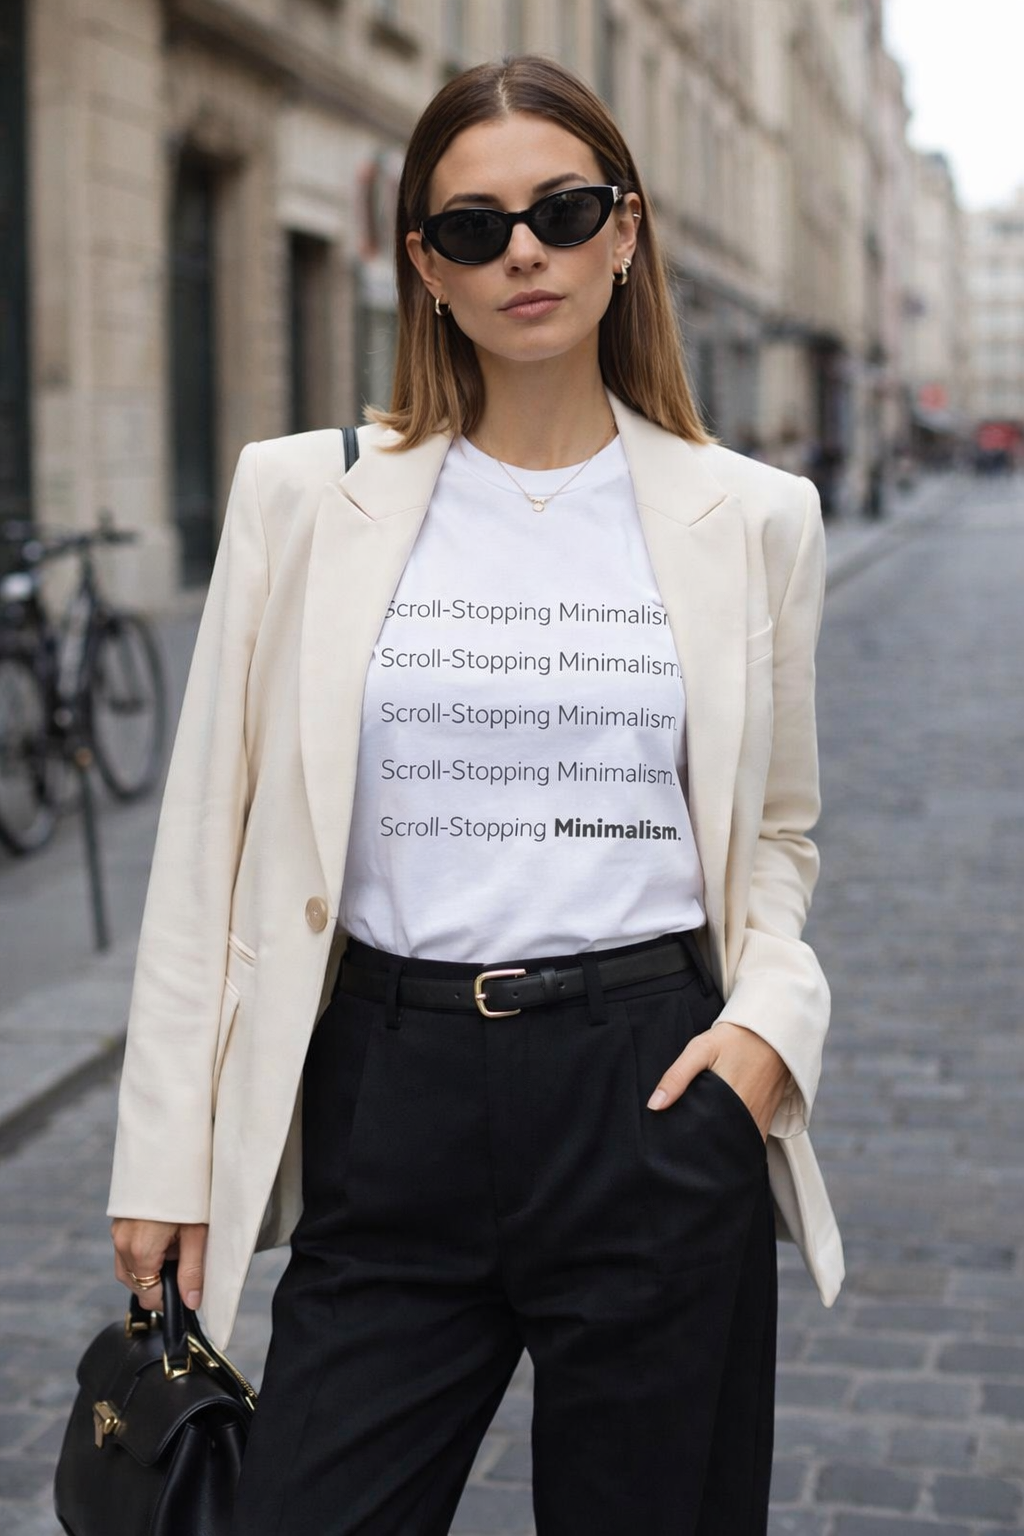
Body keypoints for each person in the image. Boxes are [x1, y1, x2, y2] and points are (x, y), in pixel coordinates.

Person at [108, 55, 843, 1536]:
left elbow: (776, 829)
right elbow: (207, 841)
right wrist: (165, 1154)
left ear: (625, 235)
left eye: (565, 211)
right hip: (388, 1094)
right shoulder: (303, 498)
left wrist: (768, 1035)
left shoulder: (750, 516)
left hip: (650, 1094)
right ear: (422, 268)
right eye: (472, 226)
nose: (524, 250)